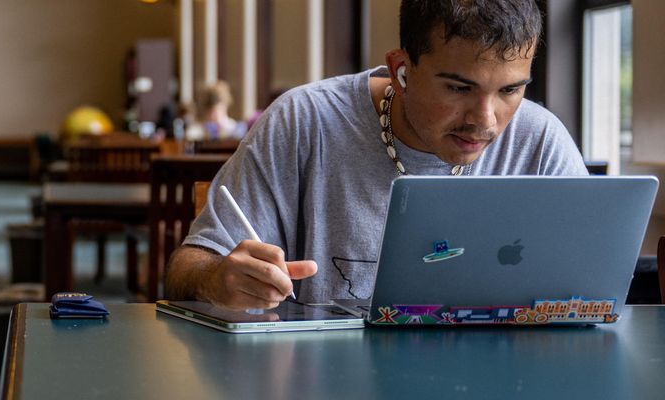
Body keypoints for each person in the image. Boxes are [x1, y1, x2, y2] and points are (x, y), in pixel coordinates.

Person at [166, 0, 587, 311]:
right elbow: (186, 267)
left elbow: (592, 286)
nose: (486, 121)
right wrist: (216, 279)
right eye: (459, 88)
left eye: (510, 90)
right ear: (402, 70)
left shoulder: (541, 138)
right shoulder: (305, 120)